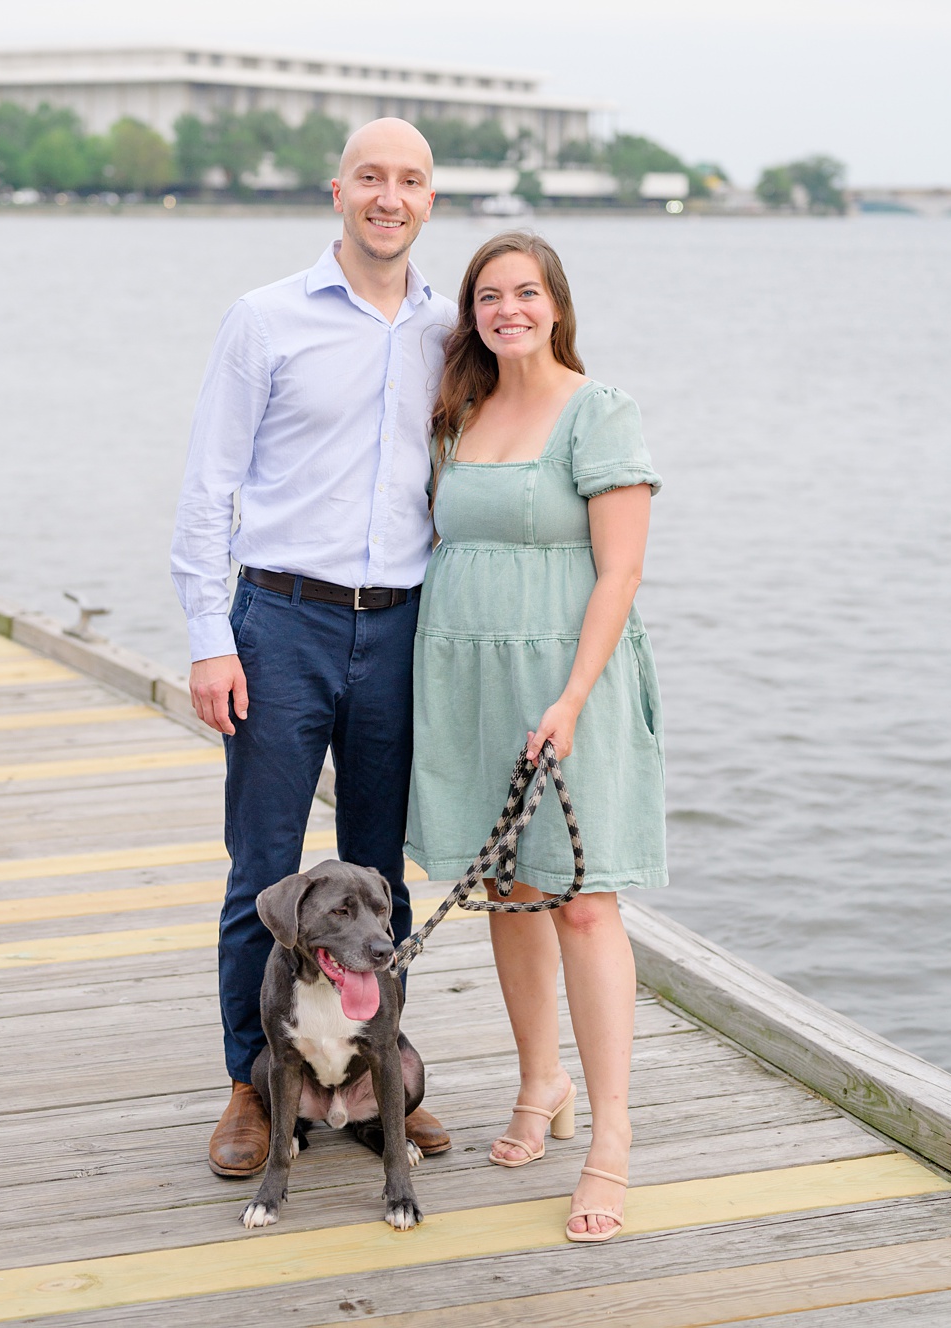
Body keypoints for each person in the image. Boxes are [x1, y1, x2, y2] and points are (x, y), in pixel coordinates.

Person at [169, 117, 459, 1180]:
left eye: (412, 180)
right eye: (372, 177)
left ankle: (379, 1071)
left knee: (382, 878)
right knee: (265, 868)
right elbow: (209, 484)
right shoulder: (266, 318)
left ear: (432, 198)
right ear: (338, 190)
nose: (391, 195)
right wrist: (211, 638)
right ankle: (254, 1081)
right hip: (281, 621)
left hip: (400, 626)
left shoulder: (449, 326)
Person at [405, 229, 663, 1245]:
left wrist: (569, 698)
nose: (507, 308)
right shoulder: (459, 410)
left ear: (555, 303)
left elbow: (621, 573)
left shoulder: (598, 410)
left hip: (567, 681)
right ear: (472, 312)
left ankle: (610, 1137)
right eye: (487, 295)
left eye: (525, 292)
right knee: (506, 889)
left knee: (585, 904)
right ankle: (538, 1081)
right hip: (467, 678)